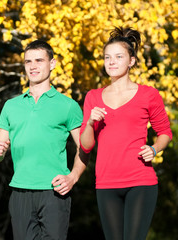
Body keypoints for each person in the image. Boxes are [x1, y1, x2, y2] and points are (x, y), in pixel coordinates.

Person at [0, 40, 88, 240]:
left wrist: (73, 177)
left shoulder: (68, 106)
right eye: (28, 62)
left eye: (39, 60)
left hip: (54, 191)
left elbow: (84, 148)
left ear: (52, 63)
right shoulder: (11, 106)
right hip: (20, 192)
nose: (33, 66)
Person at [80, 27, 172, 240]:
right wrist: (90, 122)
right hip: (106, 183)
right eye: (107, 57)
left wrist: (154, 148)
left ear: (131, 61)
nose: (111, 62)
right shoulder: (93, 97)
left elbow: (165, 132)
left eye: (118, 57)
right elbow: (86, 146)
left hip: (140, 180)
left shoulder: (148, 94)